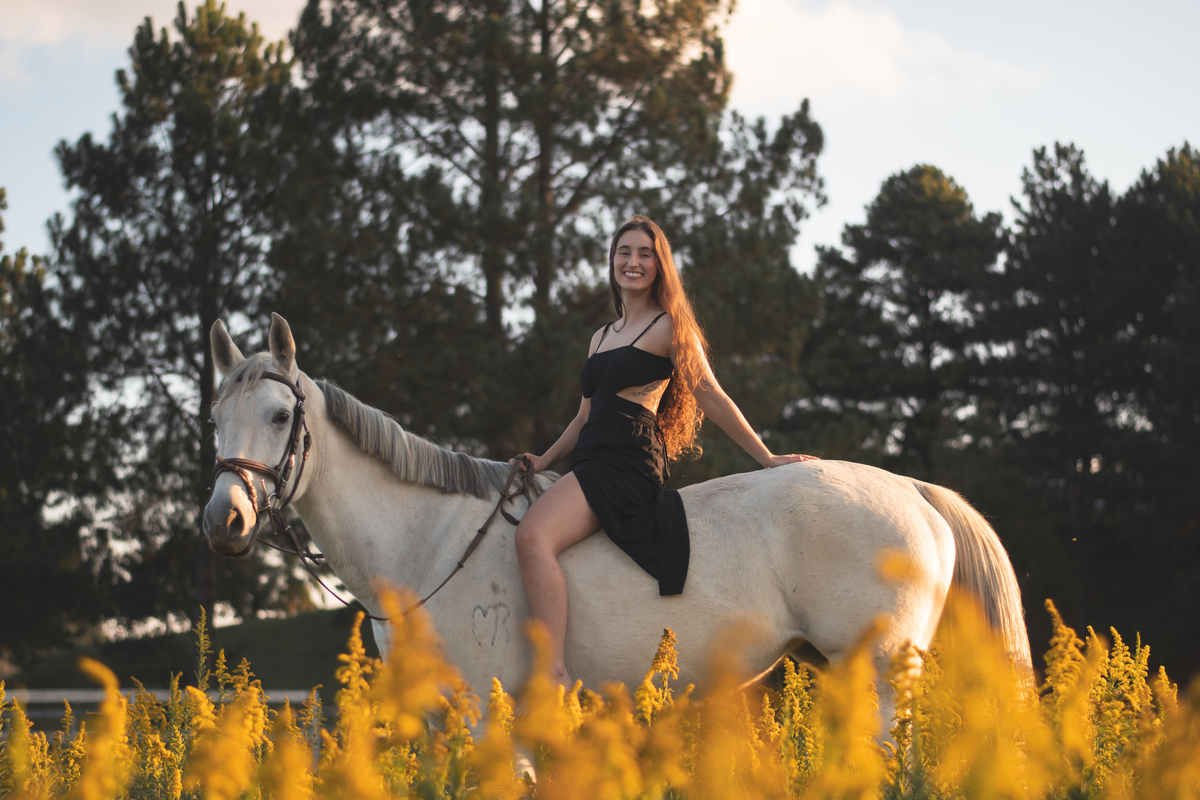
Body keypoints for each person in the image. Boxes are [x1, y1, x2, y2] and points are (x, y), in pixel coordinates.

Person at [512, 215, 818, 688]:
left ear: (659, 266)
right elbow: (583, 417)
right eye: (624, 252)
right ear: (612, 261)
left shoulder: (670, 327)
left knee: (532, 537)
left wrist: (767, 458)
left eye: (645, 254)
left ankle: (553, 675)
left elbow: (711, 396)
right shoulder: (601, 336)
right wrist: (544, 460)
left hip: (627, 459)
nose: (632, 262)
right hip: (591, 455)